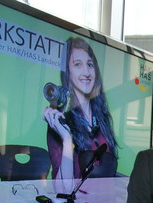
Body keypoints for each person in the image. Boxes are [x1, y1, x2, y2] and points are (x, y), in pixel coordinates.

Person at [42, 37, 118, 182]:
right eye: (77, 64)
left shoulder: (102, 116)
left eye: (90, 64)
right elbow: (62, 189)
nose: (86, 72)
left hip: (109, 202)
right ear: (68, 73)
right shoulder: (61, 120)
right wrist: (67, 139)